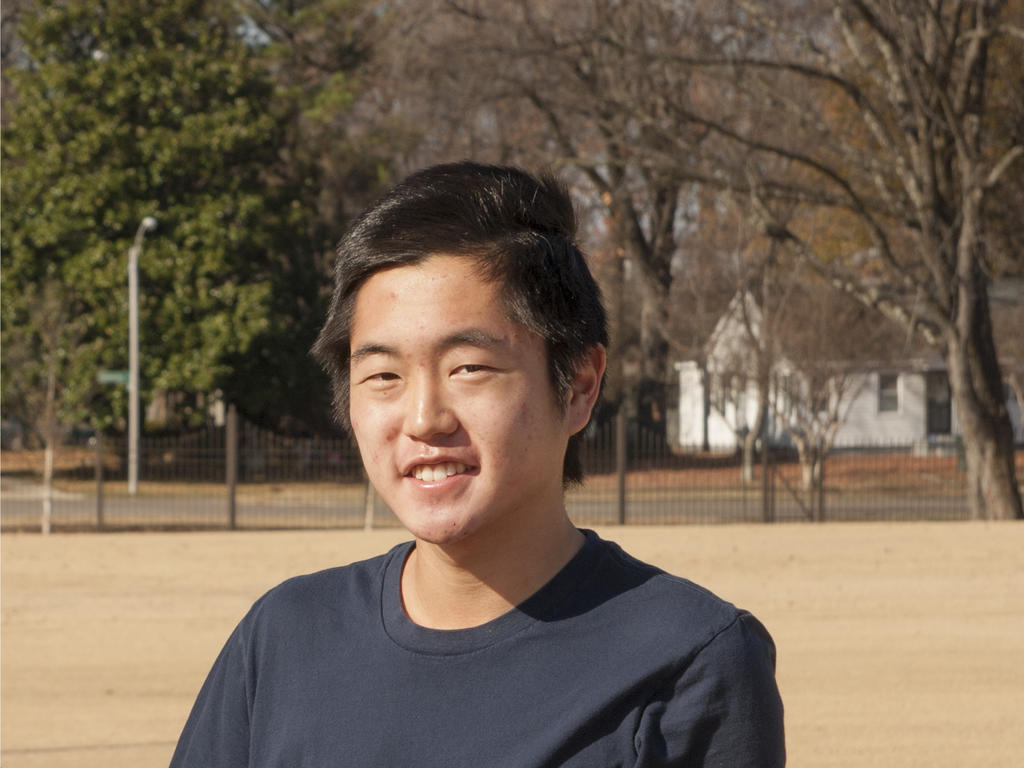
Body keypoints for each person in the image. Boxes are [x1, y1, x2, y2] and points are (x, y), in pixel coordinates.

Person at [170, 162, 785, 767]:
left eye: (468, 368)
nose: (423, 418)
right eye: (383, 375)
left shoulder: (687, 662)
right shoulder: (285, 638)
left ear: (578, 385)